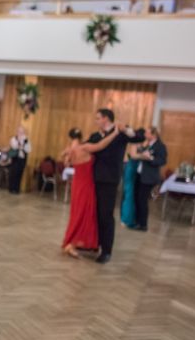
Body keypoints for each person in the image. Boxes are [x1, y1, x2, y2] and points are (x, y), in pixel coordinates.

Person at [87, 109, 145, 264]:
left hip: (109, 179)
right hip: (94, 178)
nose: (96, 121)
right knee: (95, 213)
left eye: (98, 118)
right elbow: (86, 147)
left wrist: (125, 129)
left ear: (106, 119)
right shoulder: (95, 136)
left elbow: (140, 136)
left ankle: (106, 251)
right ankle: (95, 243)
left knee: (105, 215)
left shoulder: (120, 133)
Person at [61, 127, 119, 258]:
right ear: (81, 136)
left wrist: (67, 154)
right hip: (86, 185)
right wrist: (114, 134)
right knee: (84, 214)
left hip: (77, 184)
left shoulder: (70, 150)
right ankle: (72, 244)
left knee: (77, 213)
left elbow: (66, 163)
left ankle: (74, 242)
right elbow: (101, 145)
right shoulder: (84, 147)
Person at [131, 127, 167, 231]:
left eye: (147, 133)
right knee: (137, 198)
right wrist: (140, 150)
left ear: (153, 135)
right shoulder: (148, 144)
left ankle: (143, 224)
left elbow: (162, 161)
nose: (145, 134)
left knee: (142, 200)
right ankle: (137, 221)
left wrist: (150, 158)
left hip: (149, 177)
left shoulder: (160, 146)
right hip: (140, 174)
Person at [120, 136, 143, 229]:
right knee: (129, 194)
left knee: (131, 194)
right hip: (130, 168)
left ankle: (129, 218)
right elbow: (133, 155)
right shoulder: (134, 143)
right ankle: (126, 219)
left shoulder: (140, 144)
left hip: (134, 169)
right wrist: (144, 156)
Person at [7, 125, 31, 194]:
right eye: (19, 132)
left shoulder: (26, 140)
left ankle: (17, 189)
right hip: (15, 158)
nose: (21, 133)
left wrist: (22, 145)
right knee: (13, 173)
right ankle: (11, 188)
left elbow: (29, 149)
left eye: (22, 132)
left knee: (20, 173)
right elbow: (14, 146)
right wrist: (20, 145)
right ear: (17, 132)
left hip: (22, 159)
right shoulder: (14, 139)